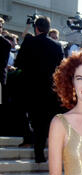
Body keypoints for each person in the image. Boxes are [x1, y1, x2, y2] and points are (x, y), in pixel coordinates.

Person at [14, 16, 63, 162]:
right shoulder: (57, 45)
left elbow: (18, 62)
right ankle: (39, 154)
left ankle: (29, 138)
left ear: (36, 28)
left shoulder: (29, 42)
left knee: (25, 114)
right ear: (48, 29)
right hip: (48, 90)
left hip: (29, 88)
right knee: (42, 123)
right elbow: (61, 68)